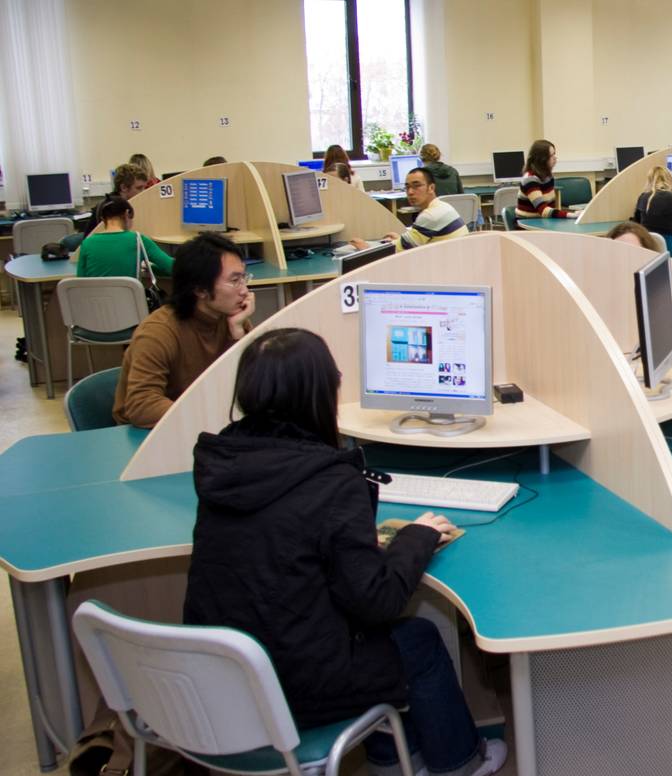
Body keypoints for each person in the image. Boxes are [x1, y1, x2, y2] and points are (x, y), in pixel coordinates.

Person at [184, 328, 508, 776]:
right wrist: (417, 537)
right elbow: (377, 602)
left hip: (221, 675)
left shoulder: (222, 462)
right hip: (296, 685)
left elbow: (285, 544)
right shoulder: (331, 481)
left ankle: (395, 760)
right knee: (415, 639)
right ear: (320, 394)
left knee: (361, 636)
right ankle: (461, 763)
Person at [112, 233, 255, 428]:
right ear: (200, 289)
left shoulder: (233, 319)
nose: (244, 290)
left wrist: (238, 336)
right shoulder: (158, 332)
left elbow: (256, 386)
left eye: (244, 277)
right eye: (235, 280)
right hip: (151, 433)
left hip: (204, 426)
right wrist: (210, 414)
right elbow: (142, 406)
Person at [353, 168, 464, 251]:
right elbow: (412, 243)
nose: (410, 192)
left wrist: (366, 248)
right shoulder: (442, 206)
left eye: (416, 186)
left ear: (431, 188)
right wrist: (401, 240)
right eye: (407, 187)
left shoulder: (430, 215)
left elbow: (396, 251)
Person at [75, 196, 174, 279]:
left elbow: (80, 280)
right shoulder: (138, 240)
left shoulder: (87, 243)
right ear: (127, 214)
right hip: (129, 297)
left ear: (102, 219)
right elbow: (173, 268)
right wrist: (152, 268)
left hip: (95, 297)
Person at [515, 139, 573, 219]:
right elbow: (544, 211)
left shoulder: (548, 176)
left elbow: (551, 208)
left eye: (554, 154)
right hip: (527, 222)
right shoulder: (529, 179)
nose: (555, 158)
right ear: (542, 159)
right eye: (551, 155)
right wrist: (571, 215)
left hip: (543, 220)